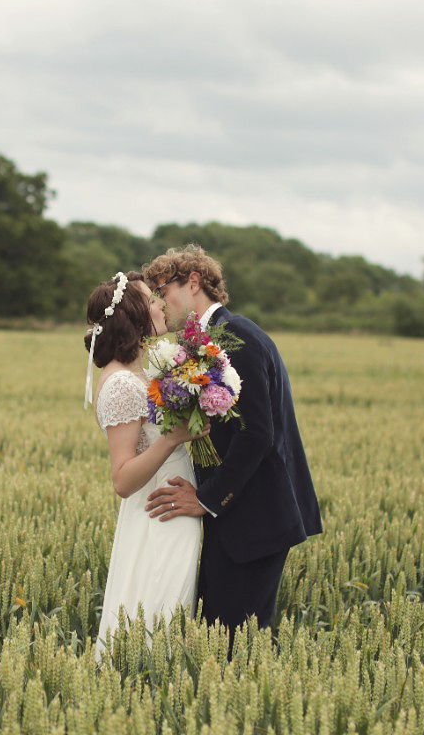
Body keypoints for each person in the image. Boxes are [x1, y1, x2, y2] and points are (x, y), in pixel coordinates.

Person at [142, 245, 322, 645]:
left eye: (161, 289)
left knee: (235, 646)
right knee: (224, 640)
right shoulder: (201, 344)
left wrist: (206, 499)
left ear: (192, 283)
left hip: (255, 518)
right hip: (235, 518)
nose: (158, 302)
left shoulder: (236, 335)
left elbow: (258, 433)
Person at [83, 270, 207, 660]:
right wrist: (174, 436)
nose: (160, 304)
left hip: (173, 505)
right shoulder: (121, 384)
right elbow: (122, 479)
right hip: (158, 513)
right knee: (158, 613)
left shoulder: (142, 373)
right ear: (136, 316)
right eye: (151, 300)